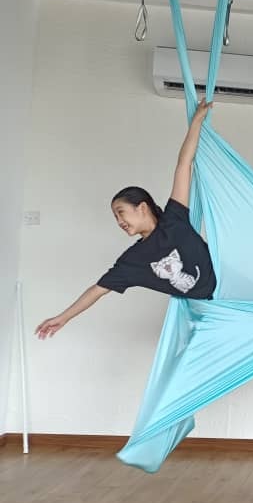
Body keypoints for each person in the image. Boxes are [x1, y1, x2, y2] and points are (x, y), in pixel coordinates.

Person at [35, 99, 218, 339]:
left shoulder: (174, 219)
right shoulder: (134, 260)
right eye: (115, 217)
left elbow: (184, 165)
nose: (119, 221)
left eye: (120, 212)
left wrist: (197, 121)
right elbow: (97, 291)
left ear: (142, 207)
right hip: (206, 310)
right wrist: (63, 318)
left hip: (227, 283)